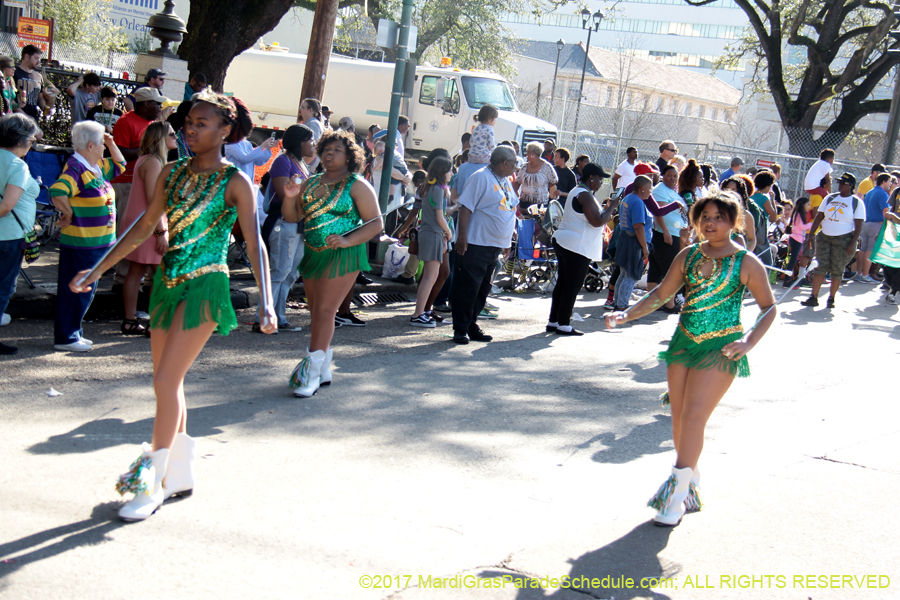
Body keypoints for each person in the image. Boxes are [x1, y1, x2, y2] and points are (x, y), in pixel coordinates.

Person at [69, 90, 277, 521]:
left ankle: (151, 482)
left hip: (206, 285)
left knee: (165, 382)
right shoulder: (171, 173)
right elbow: (144, 227)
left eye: (203, 123)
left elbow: (255, 243)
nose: (192, 127)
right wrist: (95, 270)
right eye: (190, 121)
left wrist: (267, 303)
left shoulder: (236, 181)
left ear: (226, 130)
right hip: (166, 283)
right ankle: (180, 472)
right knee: (167, 384)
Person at [606, 191, 775, 527]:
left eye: (719, 217)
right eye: (705, 217)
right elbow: (662, 294)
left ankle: (676, 493)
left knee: (696, 416)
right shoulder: (688, 255)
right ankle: (692, 480)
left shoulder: (746, 262)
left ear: (734, 222)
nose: (711, 223)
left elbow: (769, 307)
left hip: (722, 347)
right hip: (683, 344)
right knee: (679, 419)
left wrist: (748, 340)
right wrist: (627, 314)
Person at [281, 130, 382, 398]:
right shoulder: (310, 182)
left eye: (337, 149)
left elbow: (376, 224)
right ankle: (324, 368)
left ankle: (310, 373)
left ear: (350, 155)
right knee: (316, 312)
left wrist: (349, 241)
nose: (330, 153)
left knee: (325, 311)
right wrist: (291, 198)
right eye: (326, 148)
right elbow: (292, 218)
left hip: (344, 255)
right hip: (314, 253)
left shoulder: (357, 185)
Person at [49, 121, 126, 351]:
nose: (105, 147)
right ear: (91, 145)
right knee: (76, 290)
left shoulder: (94, 165)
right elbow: (58, 190)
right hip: (83, 243)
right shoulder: (76, 168)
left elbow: (120, 165)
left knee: (85, 290)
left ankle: (74, 332)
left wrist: (112, 143)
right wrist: (68, 213)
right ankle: (66, 337)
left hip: (97, 242)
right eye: (103, 143)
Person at [450, 146, 519, 344]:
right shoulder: (481, 177)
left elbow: (508, 208)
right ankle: (460, 329)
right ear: (504, 162)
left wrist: (507, 241)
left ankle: (471, 324)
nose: (516, 167)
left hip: (494, 246)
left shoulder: (505, 180)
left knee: (482, 289)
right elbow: (465, 208)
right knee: (468, 288)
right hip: (475, 243)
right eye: (514, 163)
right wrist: (462, 236)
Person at [119, 121, 177, 336]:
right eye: (171, 134)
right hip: (149, 224)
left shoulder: (146, 160)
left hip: (139, 221)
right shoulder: (153, 162)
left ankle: (130, 320)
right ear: (161, 138)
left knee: (136, 271)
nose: (175, 137)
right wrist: (161, 232)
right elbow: (154, 201)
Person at [547, 163, 619, 336]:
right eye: (600, 179)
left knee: (563, 284)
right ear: (591, 178)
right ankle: (563, 324)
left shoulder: (578, 191)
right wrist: (612, 206)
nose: (601, 183)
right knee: (571, 286)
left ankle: (554, 321)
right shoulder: (585, 195)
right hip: (576, 246)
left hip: (567, 242)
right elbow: (597, 221)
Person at [255, 124, 313, 332]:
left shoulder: (301, 164)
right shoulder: (282, 161)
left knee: (290, 274)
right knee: (279, 272)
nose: (313, 144)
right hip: (283, 222)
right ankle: (263, 319)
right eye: (310, 140)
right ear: (300, 142)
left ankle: (279, 317)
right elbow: (282, 193)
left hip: (298, 224)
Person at [111, 87, 165, 283]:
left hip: (143, 183)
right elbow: (120, 152)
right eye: (157, 103)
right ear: (145, 104)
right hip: (126, 183)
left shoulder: (153, 124)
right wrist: (148, 150)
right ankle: (122, 277)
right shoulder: (126, 122)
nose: (160, 106)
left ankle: (140, 279)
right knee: (129, 233)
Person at [0, 114, 40, 355]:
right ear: (22, 140)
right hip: (9, 238)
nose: (33, 143)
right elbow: (7, 206)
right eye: (32, 140)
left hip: (9, 236)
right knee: (3, 288)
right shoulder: (17, 165)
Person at [801, 172, 865, 309]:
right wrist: (811, 235)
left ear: (850, 186)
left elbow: (859, 226)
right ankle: (813, 297)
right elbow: (819, 217)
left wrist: (852, 244)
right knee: (820, 266)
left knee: (837, 268)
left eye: (843, 183)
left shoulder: (856, 203)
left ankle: (831, 298)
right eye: (839, 182)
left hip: (843, 239)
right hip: (825, 237)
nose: (839, 185)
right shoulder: (830, 198)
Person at [410, 157, 453, 327]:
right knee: (429, 277)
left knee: (430, 276)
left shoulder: (429, 188)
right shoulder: (438, 190)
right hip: (433, 233)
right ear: (442, 172)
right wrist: (448, 232)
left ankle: (421, 312)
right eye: (449, 170)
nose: (451, 173)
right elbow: (440, 217)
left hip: (430, 233)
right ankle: (418, 314)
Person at [648, 165, 689, 313]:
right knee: (671, 271)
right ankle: (669, 305)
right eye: (669, 175)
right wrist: (665, 231)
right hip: (666, 235)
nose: (672, 178)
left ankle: (654, 303)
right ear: (663, 176)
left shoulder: (672, 191)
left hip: (676, 233)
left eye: (674, 176)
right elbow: (659, 213)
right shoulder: (660, 190)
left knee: (657, 270)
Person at [225, 105, 276, 221]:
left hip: (247, 187)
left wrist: (268, 149)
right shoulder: (230, 143)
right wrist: (262, 145)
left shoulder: (247, 143)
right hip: (234, 187)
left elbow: (258, 162)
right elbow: (244, 158)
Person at [613, 175, 654, 311]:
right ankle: (622, 305)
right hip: (633, 242)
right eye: (649, 188)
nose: (650, 191)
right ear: (642, 189)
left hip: (625, 239)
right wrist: (644, 247)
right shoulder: (637, 202)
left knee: (624, 274)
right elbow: (638, 227)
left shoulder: (627, 198)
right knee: (631, 275)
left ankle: (617, 302)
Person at [857, 172, 892, 284]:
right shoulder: (882, 194)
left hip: (866, 224)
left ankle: (859, 273)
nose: (890, 184)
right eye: (890, 181)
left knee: (863, 249)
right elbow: (885, 211)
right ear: (884, 181)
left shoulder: (870, 191)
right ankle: (865, 275)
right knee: (871, 250)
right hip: (876, 224)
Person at [513, 141, 558, 212]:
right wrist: (511, 195)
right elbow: (517, 182)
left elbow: (554, 181)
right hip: (524, 204)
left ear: (533, 153)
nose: (526, 154)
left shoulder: (546, 166)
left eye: (527, 152)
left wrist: (543, 187)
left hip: (540, 206)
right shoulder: (524, 167)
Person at [720, 176, 757, 252]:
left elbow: (752, 239)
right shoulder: (715, 210)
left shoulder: (745, 215)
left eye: (734, 189)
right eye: (727, 188)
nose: (730, 191)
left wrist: (745, 255)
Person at [784, 196, 812, 287]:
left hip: (797, 239)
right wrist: (811, 224)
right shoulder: (799, 214)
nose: (809, 206)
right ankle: (787, 280)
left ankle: (788, 279)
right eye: (808, 204)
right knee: (793, 260)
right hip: (796, 239)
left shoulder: (797, 214)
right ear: (803, 205)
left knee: (793, 260)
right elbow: (802, 227)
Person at [14, 45, 44, 119]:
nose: (38, 62)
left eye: (39, 59)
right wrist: (23, 115)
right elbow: (10, 98)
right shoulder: (14, 73)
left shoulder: (38, 76)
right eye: (36, 58)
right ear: (27, 56)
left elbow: (40, 97)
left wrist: (46, 108)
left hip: (33, 117)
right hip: (16, 118)